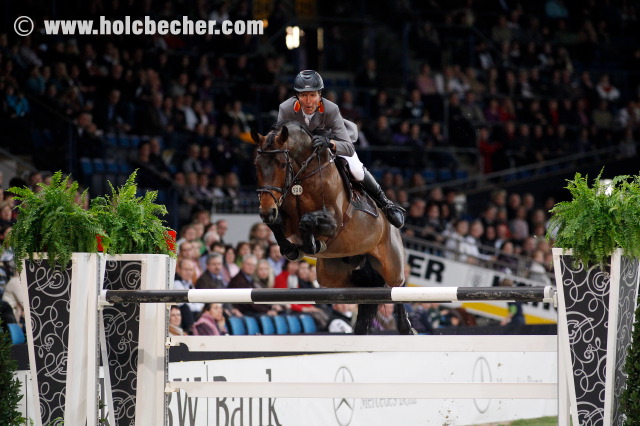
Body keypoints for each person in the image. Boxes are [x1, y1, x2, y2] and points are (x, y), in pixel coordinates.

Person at [277, 70, 405, 237]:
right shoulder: (286, 109)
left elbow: (348, 147)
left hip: (332, 141)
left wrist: (329, 143)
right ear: (297, 96)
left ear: (320, 94)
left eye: (312, 95)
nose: (308, 101)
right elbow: (281, 142)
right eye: (303, 95)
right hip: (300, 150)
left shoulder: (331, 109)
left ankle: (386, 204)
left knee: (356, 170)